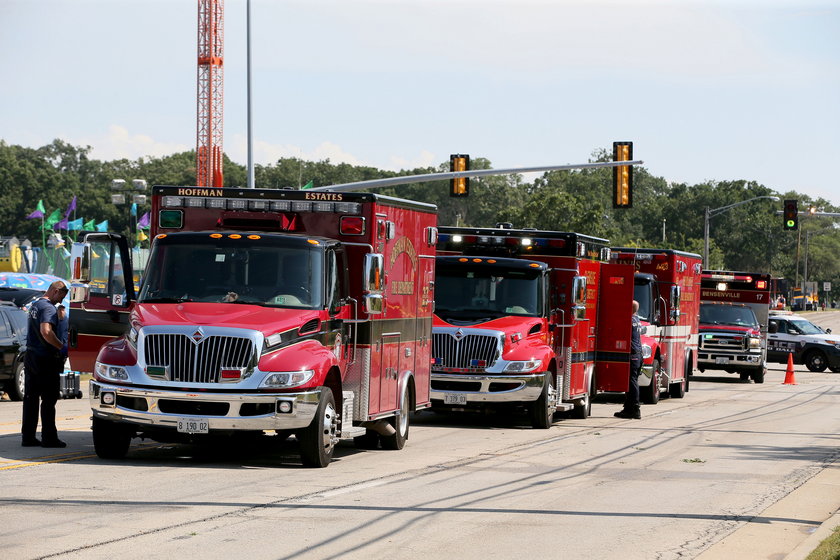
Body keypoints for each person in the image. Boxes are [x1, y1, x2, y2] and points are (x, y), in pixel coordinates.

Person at [21, 280, 69, 448]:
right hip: (46, 359)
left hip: (31, 355)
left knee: (30, 398)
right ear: (55, 291)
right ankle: (49, 438)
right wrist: (61, 347)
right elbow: (46, 331)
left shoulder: (35, 305)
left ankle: (28, 437)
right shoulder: (48, 308)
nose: (61, 302)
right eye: (61, 297)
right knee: (49, 400)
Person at [615, 300, 643, 420]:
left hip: (633, 354)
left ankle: (635, 409)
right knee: (631, 381)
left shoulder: (630, 320)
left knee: (632, 382)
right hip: (638, 354)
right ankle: (628, 408)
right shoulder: (637, 320)